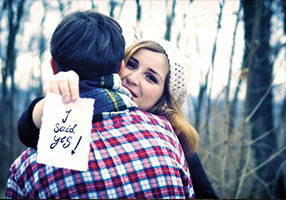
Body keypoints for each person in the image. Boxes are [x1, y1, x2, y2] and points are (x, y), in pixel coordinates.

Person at [5, 10, 194, 199]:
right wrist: (50, 102)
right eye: (132, 65)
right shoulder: (165, 135)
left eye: (151, 78)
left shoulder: (27, 169)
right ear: (120, 66)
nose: (133, 78)